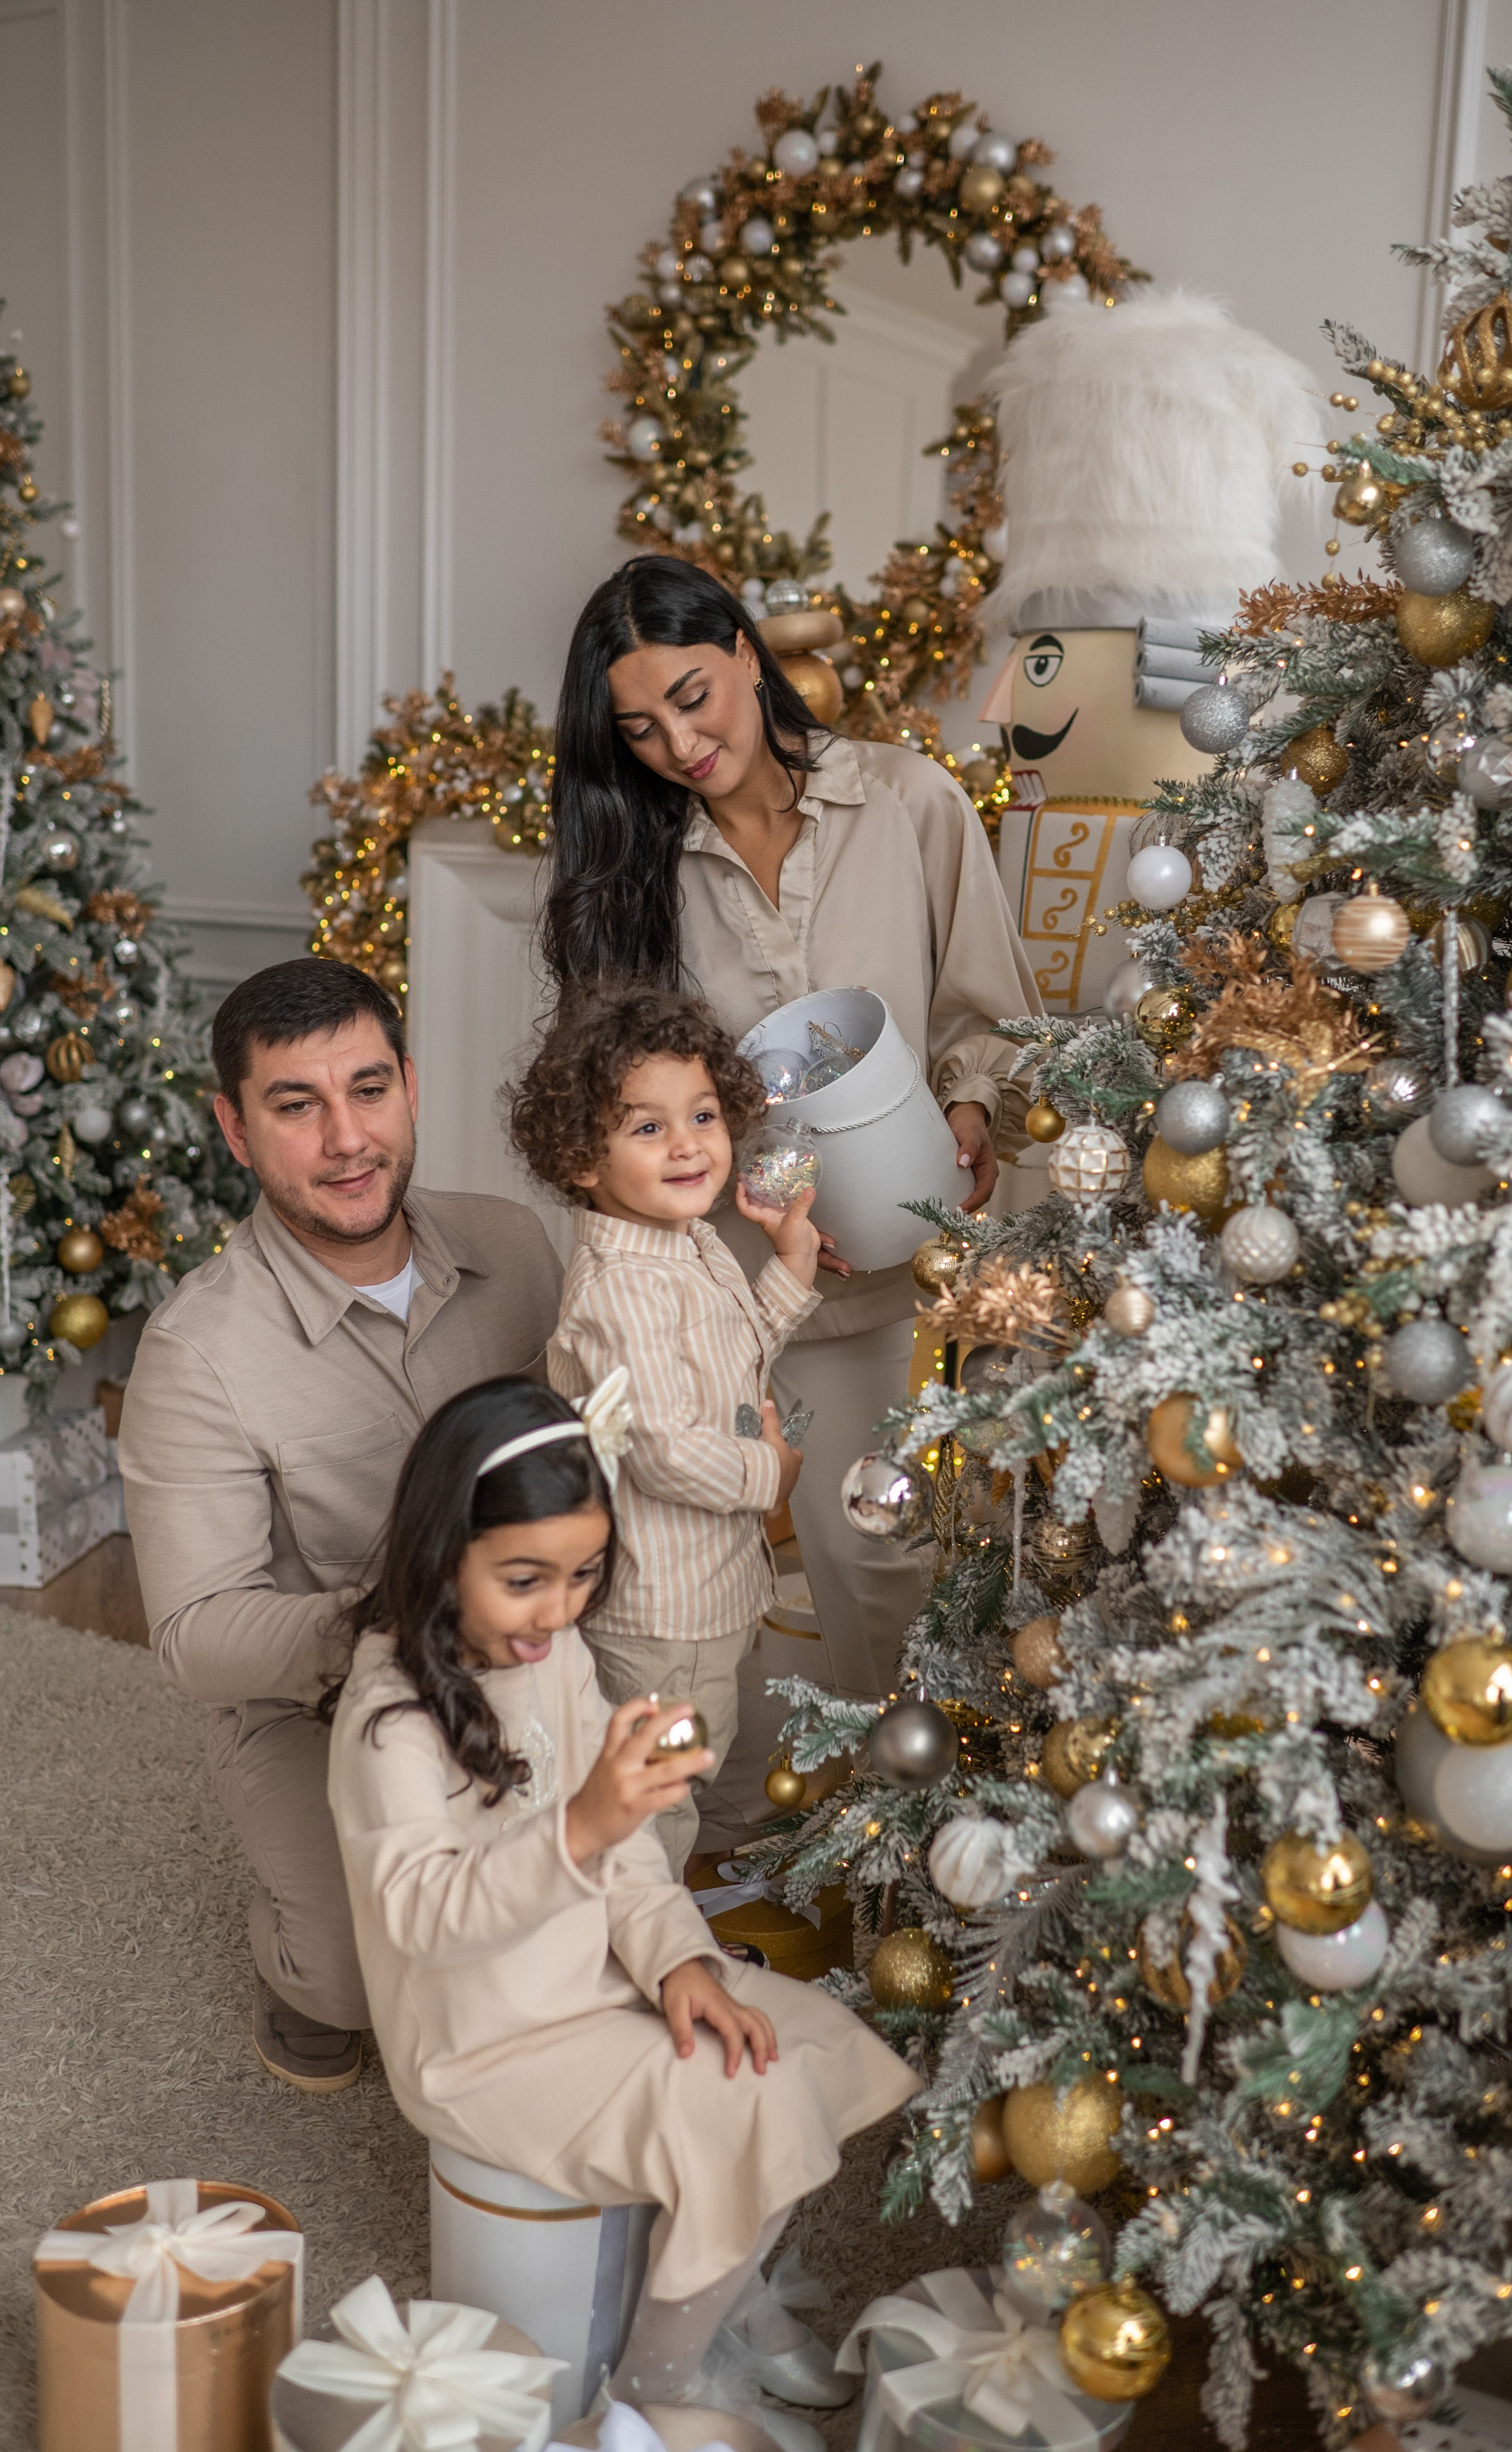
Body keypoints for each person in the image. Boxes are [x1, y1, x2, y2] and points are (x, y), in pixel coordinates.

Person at [323, 1375, 918, 2435]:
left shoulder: (550, 1657)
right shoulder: (389, 1721)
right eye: (523, 1580)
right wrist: (579, 1830)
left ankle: (727, 2291)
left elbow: (633, 1849)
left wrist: (680, 1962)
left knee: (798, 2043)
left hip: (592, 1971)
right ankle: (650, 2390)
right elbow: (426, 1919)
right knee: (751, 2109)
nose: (557, 1612)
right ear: (438, 1555)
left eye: (584, 1575)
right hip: (485, 2037)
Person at [542, 556, 1043, 1703]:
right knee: (727, 1570)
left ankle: (922, 1823)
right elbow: (612, 1101)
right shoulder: (633, 869)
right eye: (640, 727)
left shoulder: (909, 801)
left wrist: (968, 1107)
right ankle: (836, 1818)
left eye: (692, 697)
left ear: (746, 654)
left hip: (921, 1261)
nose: (679, 744)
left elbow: (985, 1009)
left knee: (907, 1557)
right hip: (731, 1276)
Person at [118, 957, 562, 2095]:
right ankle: (300, 1963)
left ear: (411, 1085)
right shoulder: (196, 1353)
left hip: (537, 1641)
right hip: (315, 1697)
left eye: (368, 1089)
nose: (346, 1139)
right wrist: (400, 1628)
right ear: (234, 1128)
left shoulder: (516, 1248)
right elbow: (197, 1631)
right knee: (360, 1984)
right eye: (296, 1106)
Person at [511, 982, 821, 1875]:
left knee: (684, 1765)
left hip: (706, 1589)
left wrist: (792, 1263)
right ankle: (647, 1951)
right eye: (648, 1128)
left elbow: (729, 1358)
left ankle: (649, 1934)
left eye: (704, 1116)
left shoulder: (687, 1242)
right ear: (582, 1155)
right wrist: (772, 1477)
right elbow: (666, 1449)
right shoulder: (623, 1292)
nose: (689, 1145)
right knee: (659, 1798)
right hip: (662, 1610)